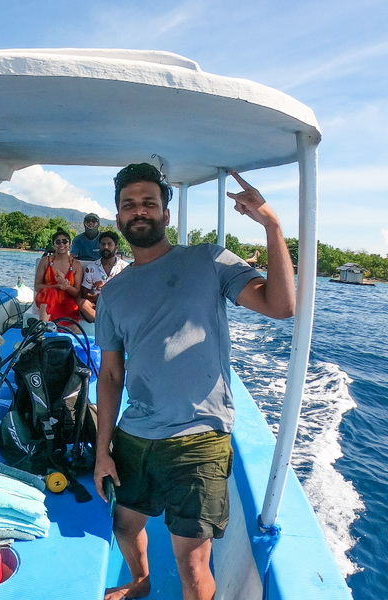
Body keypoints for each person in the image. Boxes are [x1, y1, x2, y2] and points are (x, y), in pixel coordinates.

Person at [92, 163, 295, 600]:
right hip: (136, 435)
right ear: (119, 218)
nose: (139, 211)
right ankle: (141, 582)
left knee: (191, 562)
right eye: (129, 205)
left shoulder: (209, 259)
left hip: (199, 436)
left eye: (149, 202)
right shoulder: (112, 292)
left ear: (167, 214)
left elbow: (280, 306)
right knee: (124, 525)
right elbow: (110, 374)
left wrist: (271, 226)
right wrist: (102, 449)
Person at [33, 229, 84, 330]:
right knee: (50, 293)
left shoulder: (76, 265)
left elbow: (77, 292)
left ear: (70, 245)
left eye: (65, 241)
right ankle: (44, 327)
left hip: (66, 300)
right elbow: (37, 286)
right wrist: (56, 286)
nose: (62, 244)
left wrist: (66, 286)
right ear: (53, 245)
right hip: (46, 300)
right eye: (58, 242)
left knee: (71, 306)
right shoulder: (45, 261)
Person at [77, 230, 128, 323]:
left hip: (117, 304)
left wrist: (107, 289)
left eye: (109, 244)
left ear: (116, 247)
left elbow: (128, 293)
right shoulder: (91, 268)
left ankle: (104, 322)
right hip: (97, 305)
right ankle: (103, 323)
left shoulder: (125, 268)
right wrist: (97, 298)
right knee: (82, 303)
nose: (106, 247)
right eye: (103, 244)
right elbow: (84, 293)